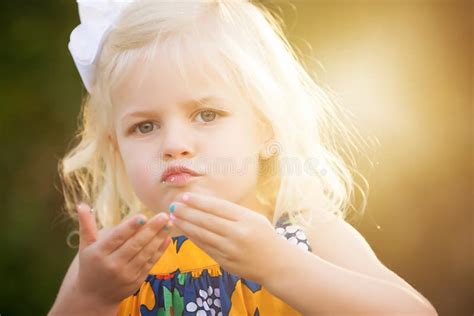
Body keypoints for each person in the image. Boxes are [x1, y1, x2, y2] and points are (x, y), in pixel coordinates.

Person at [48, 0, 438, 315]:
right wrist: (93, 298)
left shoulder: (303, 234)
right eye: (145, 126)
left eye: (207, 115)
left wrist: (278, 265)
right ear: (117, 146)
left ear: (266, 128)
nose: (174, 144)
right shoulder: (116, 261)